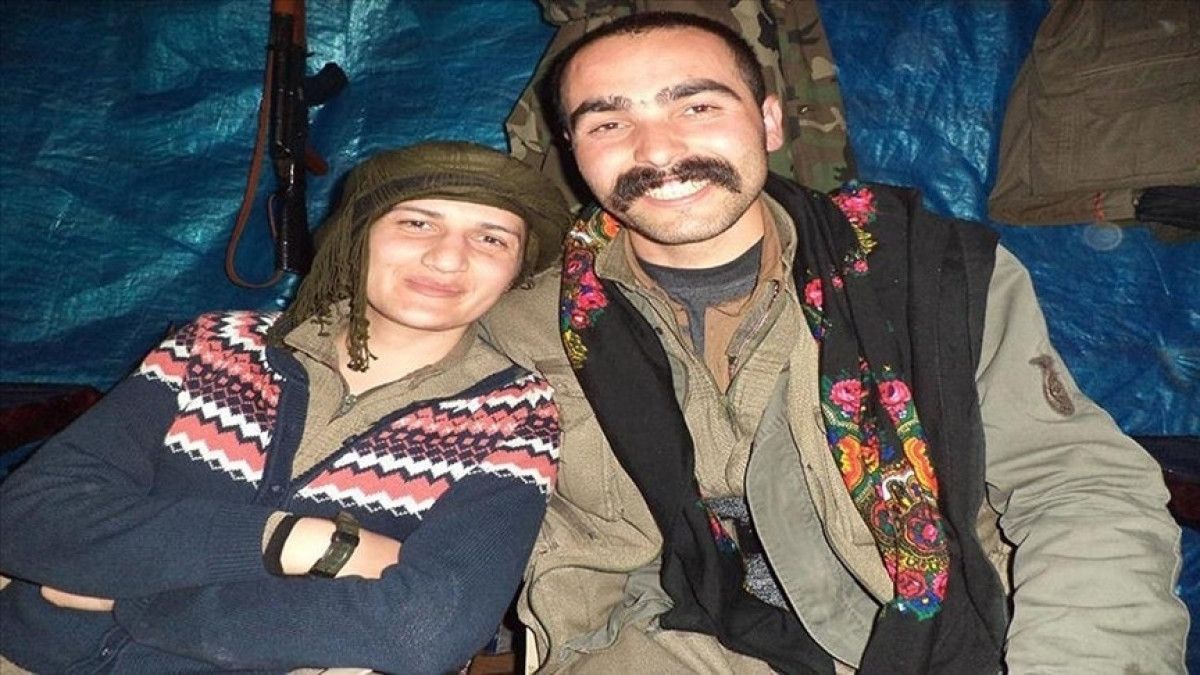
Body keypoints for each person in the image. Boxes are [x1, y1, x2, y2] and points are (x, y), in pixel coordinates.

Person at [481, 12, 1189, 674]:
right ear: (573, 151)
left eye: (697, 107)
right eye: (608, 122)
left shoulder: (928, 275)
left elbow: (1074, 482)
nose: (658, 150)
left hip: (928, 631)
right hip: (671, 636)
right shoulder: (525, 325)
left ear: (768, 120)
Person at [0, 141, 570, 674]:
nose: (447, 259)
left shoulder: (514, 416)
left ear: (516, 272)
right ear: (358, 236)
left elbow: (428, 627)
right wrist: (300, 542)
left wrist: (135, 599)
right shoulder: (218, 346)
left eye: (491, 239)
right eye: (416, 223)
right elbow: (29, 516)